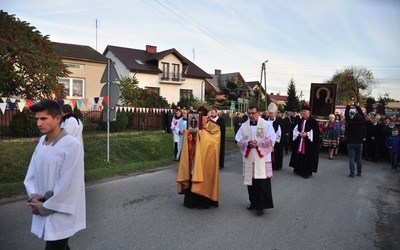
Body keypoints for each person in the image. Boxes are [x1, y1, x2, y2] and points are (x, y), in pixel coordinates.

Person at [24, 99, 86, 249]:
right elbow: (31, 173)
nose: (39, 123)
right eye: (37, 119)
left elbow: (69, 184)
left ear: (58, 119)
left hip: (61, 211)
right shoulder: (41, 142)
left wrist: (44, 207)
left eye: (44, 118)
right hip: (42, 204)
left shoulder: (71, 145)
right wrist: (33, 195)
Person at [176, 106, 220, 209]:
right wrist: (188, 133)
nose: (201, 119)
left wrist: (201, 134)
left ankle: (203, 201)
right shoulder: (192, 125)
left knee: (204, 176)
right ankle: (191, 201)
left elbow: (214, 141)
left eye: (203, 117)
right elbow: (188, 137)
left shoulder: (213, 126)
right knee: (191, 174)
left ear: (206, 116)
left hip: (205, 158)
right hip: (192, 156)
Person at [235, 106, 276, 216]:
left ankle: (261, 206)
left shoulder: (267, 124)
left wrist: (258, 144)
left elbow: (272, 139)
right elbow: (238, 139)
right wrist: (247, 143)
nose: (251, 115)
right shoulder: (244, 126)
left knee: (262, 183)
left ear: (259, 112)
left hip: (262, 158)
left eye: (253, 113)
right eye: (249, 113)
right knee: (251, 182)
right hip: (249, 158)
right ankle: (253, 202)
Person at [289, 103, 320, 179]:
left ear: (309, 112)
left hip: (308, 143)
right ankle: (298, 169)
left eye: (305, 111)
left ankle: (306, 172)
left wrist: (307, 134)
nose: (303, 113)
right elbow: (295, 129)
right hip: (300, 141)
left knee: (307, 156)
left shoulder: (313, 121)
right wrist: (299, 134)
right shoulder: (300, 120)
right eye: (303, 111)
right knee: (299, 155)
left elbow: (315, 132)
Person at [345, 101, 366, 177]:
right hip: (359, 142)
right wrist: (357, 106)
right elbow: (363, 115)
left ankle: (352, 172)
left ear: (353, 117)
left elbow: (346, 115)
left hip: (351, 142)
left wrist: (348, 106)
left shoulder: (350, 123)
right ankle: (359, 172)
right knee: (359, 158)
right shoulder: (362, 122)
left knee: (351, 158)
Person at [266, 103, 283, 170]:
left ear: (275, 113)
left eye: (271, 113)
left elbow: (279, 132)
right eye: (269, 113)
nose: (270, 115)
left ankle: (275, 165)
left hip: (275, 141)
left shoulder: (278, 121)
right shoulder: (265, 121)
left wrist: (273, 140)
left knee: (275, 153)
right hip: (266, 140)